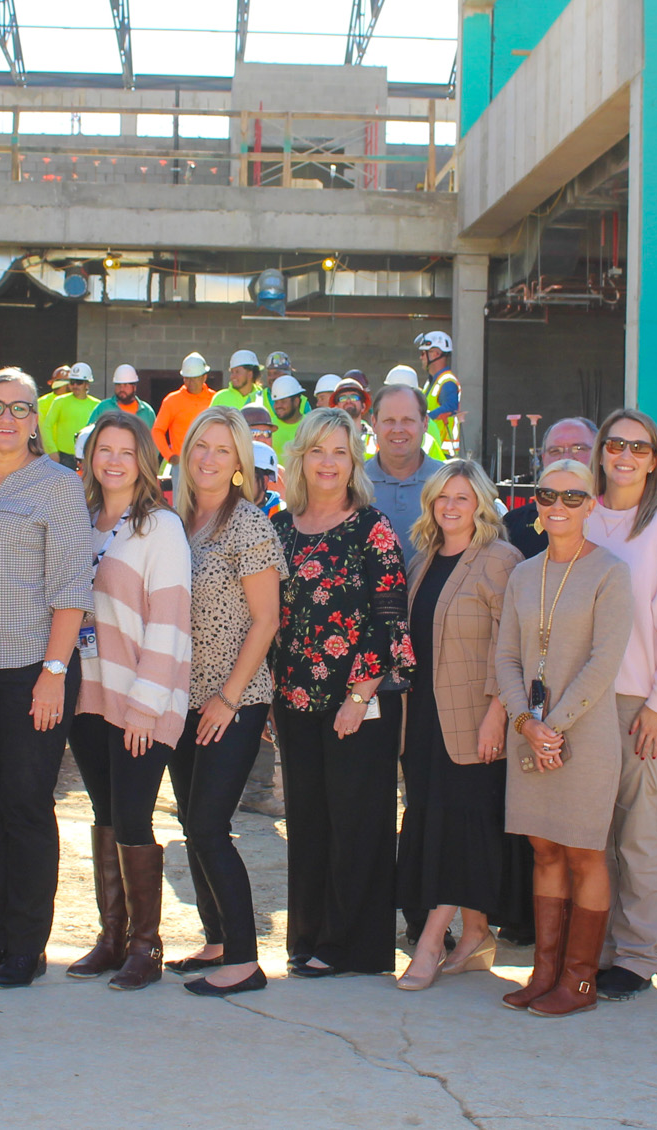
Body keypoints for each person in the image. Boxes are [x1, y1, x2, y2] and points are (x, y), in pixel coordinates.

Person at [0, 369, 96, 988]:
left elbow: (71, 589)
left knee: (27, 807)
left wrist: (54, 673)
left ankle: (28, 948)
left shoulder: (60, 487)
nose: (6, 419)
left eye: (20, 409)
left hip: (35, 669)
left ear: (37, 419)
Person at [272, 407, 416, 977]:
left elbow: (389, 616)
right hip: (294, 700)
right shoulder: (280, 527)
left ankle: (350, 947)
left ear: (354, 461)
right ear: (300, 458)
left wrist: (358, 697)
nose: (328, 462)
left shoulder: (371, 526)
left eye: (339, 451)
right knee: (308, 820)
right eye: (317, 451)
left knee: (358, 821)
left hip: (361, 701)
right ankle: (307, 937)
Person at [491, 459, 632, 1017]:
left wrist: (554, 726)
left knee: (584, 854)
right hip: (531, 733)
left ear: (591, 503)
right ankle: (544, 972)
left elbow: (604, 663)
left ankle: (578, 982)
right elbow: (504, 656)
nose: (558, 507)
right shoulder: (524, 574)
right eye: (548, 495)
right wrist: (526, 722)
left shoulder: (611, 573)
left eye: (573, 498)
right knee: (543, 849)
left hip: (587, 734)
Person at [65, 412, 192, 991]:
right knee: (106, 814)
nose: (113, 461)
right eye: (102, 450)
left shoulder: (159, 527)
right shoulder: (85, 520)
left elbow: (170, 620)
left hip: (143, 696)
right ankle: (111, 936)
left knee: (136, 815)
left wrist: (145, 705)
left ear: (144, 459)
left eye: (125, 451)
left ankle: (147, 944)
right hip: (89, 692)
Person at [582, 409, 657, 1002]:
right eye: (616, 444)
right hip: (581, 705)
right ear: (601, 452)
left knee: (637, 836)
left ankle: (634, 955)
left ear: (654, 459)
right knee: (591, 836)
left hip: (640, 705)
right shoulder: (580, 514)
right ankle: (595, 947)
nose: (626, 456)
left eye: (640, 447)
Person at [165, 408, 287, 997]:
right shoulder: (177, 521)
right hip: (179, 699)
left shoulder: (248, 525)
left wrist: (228, 699)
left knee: (211, 825)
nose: (208, 458)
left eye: (221, 449)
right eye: (199, 447)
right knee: (192, 824)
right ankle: (215, 940)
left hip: (232, 701)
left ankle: (243, 960)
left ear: (240, 462)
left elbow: (266, 621)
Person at [394, 460, 525, 991]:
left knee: (457, 827)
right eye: (443, 497)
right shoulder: (422, 560)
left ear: (482, 506)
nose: (451, 506)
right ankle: (475, 936)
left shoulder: (501, 560)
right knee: (441, 823)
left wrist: (498, 714)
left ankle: (430, 943)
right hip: (423, 717)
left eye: (463, 498)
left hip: (476, 719)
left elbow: (510, 645)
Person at [365, 385, 443, 556]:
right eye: (389, 421)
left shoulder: (448, 483)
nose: (398, 429)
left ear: (425, 424)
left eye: (408, 420)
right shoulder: (353, 483)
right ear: (374, 423)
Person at [502, 417, 596, 558]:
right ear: (544, 458)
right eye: (555, 451)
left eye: (579, 449)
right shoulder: (514, 525)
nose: (566, 457)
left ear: (599, 454)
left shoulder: (621, 519)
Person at [154, 352, 216, 463]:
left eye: (194, 378)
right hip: (181, 464)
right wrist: (169, 455)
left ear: (204, 377)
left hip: (209, 462)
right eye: (187, 378)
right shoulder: (172, 400)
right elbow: (157, 431)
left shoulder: (215, 399)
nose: (190, 382)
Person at [41, 361, 100, 464]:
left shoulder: (97, 405)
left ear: (87, 384)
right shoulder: (59, 401)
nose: (75, 385)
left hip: (87, 456)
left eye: (79, 382)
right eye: (72, 382)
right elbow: (47, 426)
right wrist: (52, 451)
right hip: (63, 457)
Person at [415, 331, 461, 457]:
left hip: (443, 452)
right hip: (433, 449)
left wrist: (424, 419)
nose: (421, 357)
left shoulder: (447, 382)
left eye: (423, 353)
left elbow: (451, 407)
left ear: (436, 353)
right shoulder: (431, 383)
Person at [88, 364, 155, 431]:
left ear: (134, 387)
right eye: (118, 385)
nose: (121, 389)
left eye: (125, 385)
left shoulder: (147, 412)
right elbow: (89, 433)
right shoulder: (103, 407)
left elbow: (154, 438)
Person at [267, 374, 308, 463]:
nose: (278, 406)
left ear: (296, 401)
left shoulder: (309, 426)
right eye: (276, 402)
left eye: (283, 401)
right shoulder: (268, 426)